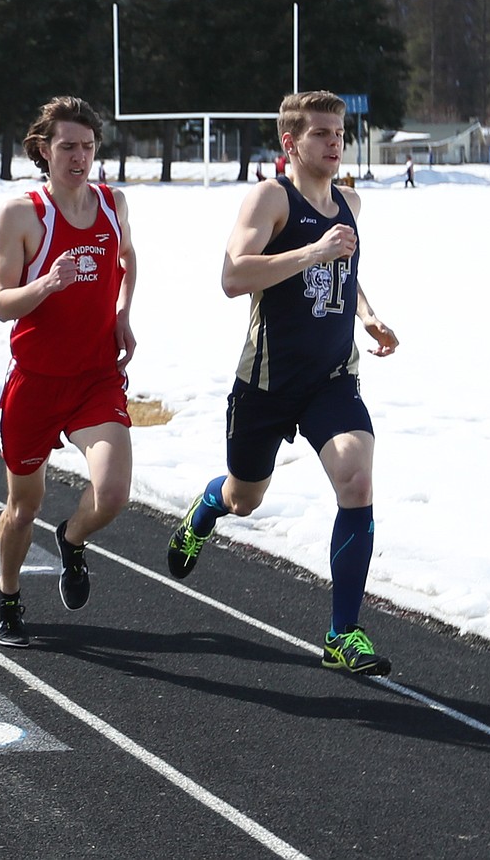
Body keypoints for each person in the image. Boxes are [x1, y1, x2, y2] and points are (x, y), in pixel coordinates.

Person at [165, 90, 399, 676]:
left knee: (357, 479)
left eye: (340, 133)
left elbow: (345, 269)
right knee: (247, 499)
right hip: (266, 383)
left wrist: (366, 313)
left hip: (332, 380)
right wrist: (312, 251)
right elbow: (232, 276)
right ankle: (207, 508)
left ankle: (342, 635)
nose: (335, 143)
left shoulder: (351, 203)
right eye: (321, 133)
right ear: (291, 143)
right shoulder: (270, 199)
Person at [0, 96, 137, 647]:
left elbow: (128, 262)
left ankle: (73, 541)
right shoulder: (23, 214)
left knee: (114, 491)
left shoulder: (112, 202)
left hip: (96, 378)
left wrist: (122, 314)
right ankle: (7, 594)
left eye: (88, 146)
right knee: (23, 506)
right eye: (68, 146)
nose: (80, 157)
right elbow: (2, 303)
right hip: (34, 383)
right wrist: (47, 283)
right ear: (44, 151)